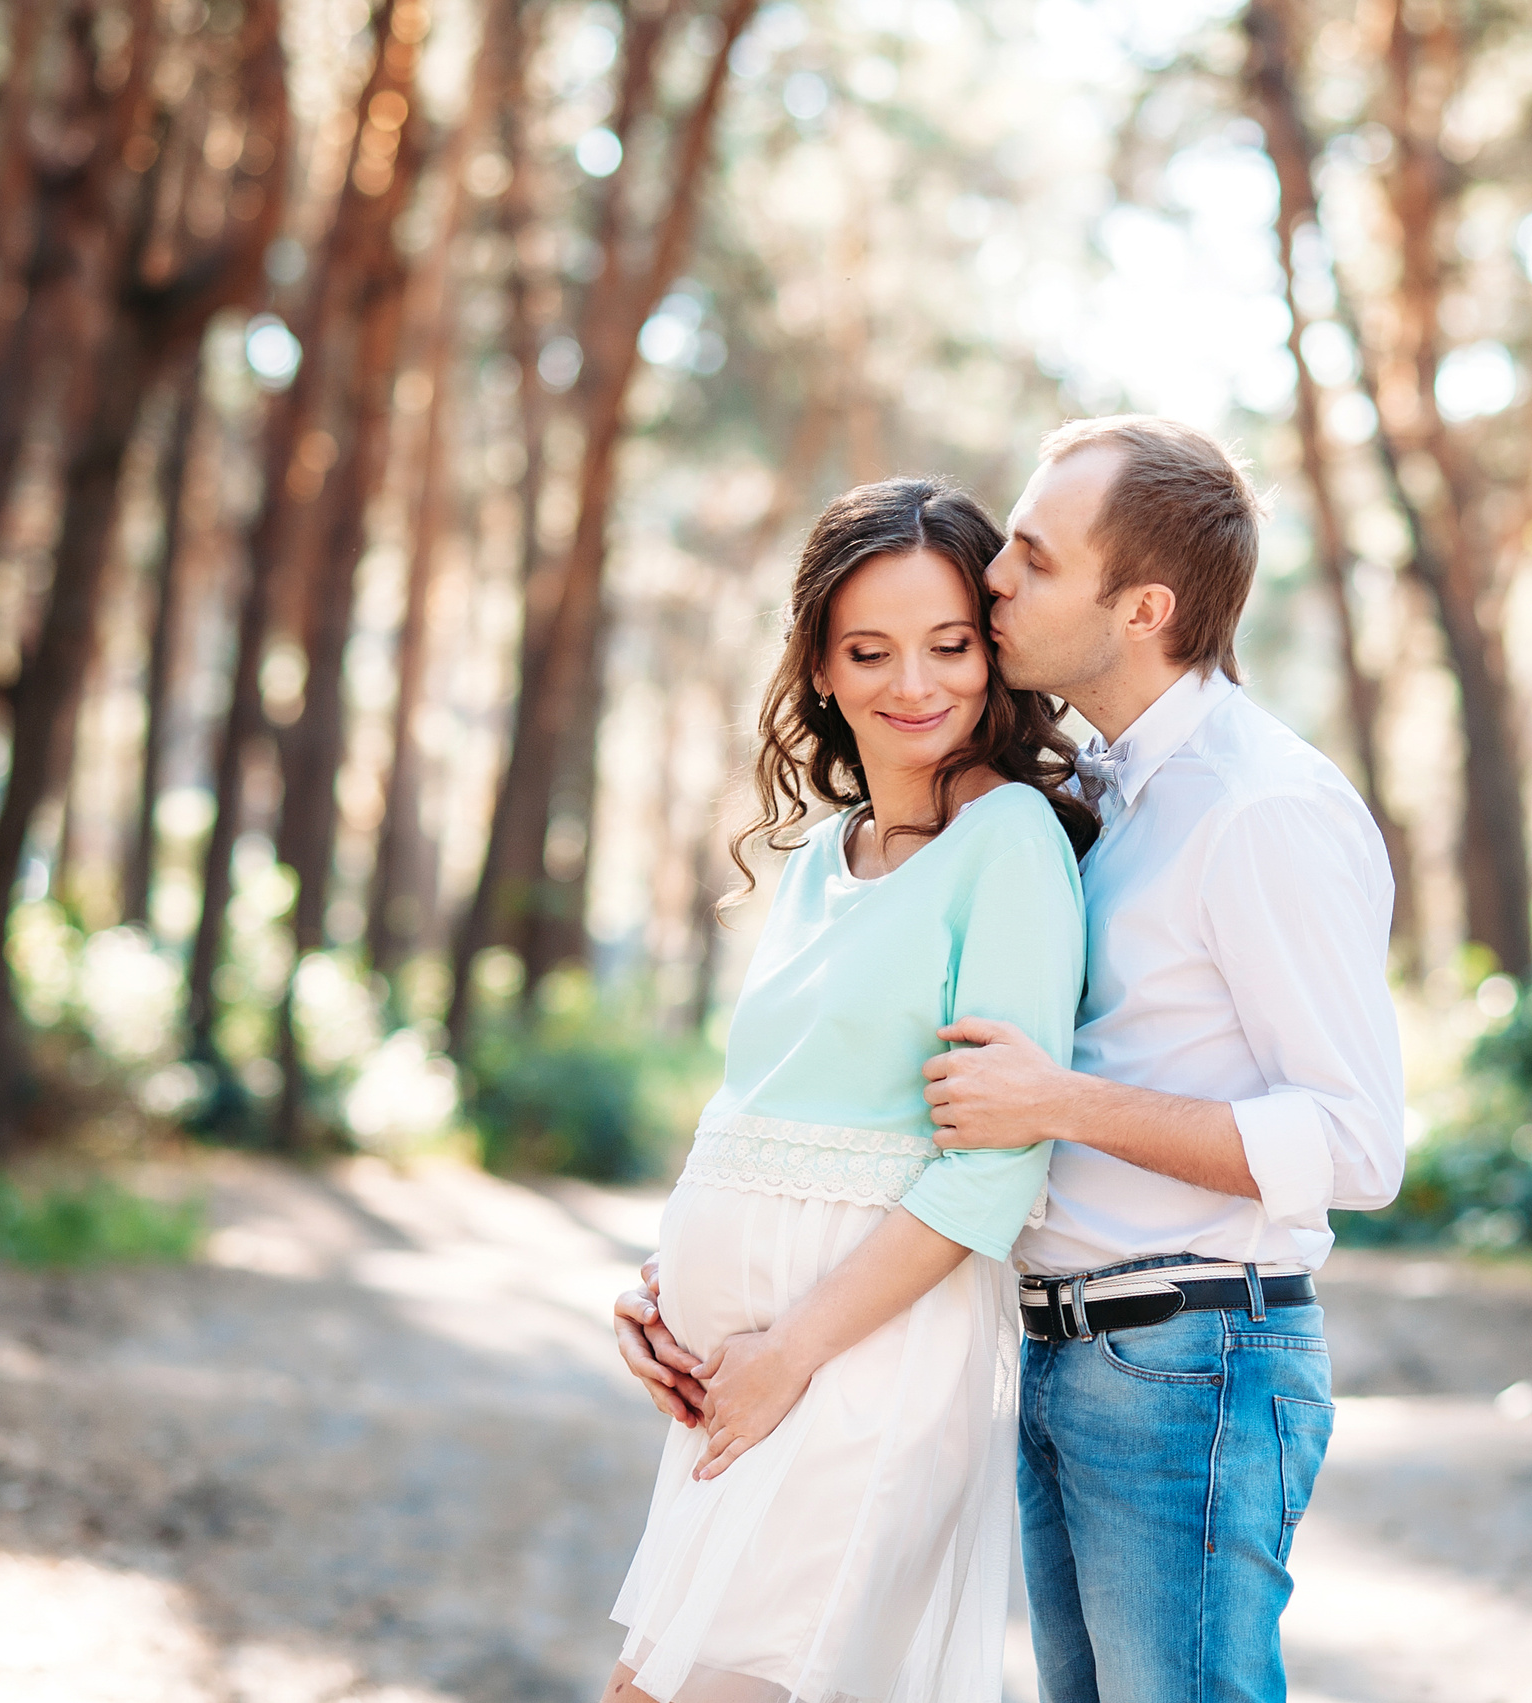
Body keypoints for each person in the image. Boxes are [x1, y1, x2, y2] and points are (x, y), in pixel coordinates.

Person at [919, 415, 1405, 1698]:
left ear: (1141, 607)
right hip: (1068, 1351)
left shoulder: (1263, 809)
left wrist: (1059, 1101)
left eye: (1032, 554)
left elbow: (1356, 1144)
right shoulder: (1114, 787)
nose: (993, 578)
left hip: (1191, 1362)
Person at [599, 477, 1097, 1703]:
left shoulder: (1014, 842)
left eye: (950, 645)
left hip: (860, 1357)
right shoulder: (826, 856)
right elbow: (767, 1109)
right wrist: (660, 1293)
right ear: (818, 665)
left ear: (994, 655)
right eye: (869, 650)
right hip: (740, 1369)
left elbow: (994, 1160)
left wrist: (790, 1352)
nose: (914, 684)